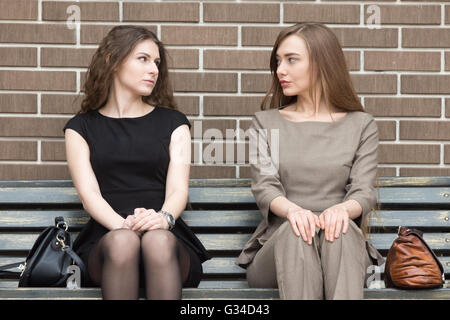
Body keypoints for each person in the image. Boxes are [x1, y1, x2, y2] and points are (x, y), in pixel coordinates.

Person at [235, 22, 384, 300]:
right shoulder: (264, 123)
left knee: (339, 231)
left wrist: (341, 211)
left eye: (291, 60)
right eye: (278, 61)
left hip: (342, 251)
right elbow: (265, 187)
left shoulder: (362, 125)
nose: (280, 69)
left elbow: (363, 192)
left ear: (322, 63)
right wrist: (294, 212)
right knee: (296, 232)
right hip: (279, 251)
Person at [63, 25, 210, 300]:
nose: (154, 69)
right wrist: (124, 227)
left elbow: (178, 190)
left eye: (156, 62)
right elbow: (89, 195)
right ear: (112, 61)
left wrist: (163, 219)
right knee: (123, 242)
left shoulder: (174, 123)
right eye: (143, 59)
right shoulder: (80, 128)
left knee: (155, 240)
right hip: (108, 242)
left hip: (165, 240)